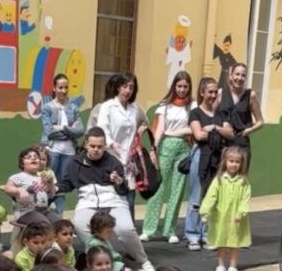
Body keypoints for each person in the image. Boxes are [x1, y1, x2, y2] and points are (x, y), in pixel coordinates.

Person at [59, 128, 153, 271]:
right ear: (86, 144)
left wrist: (119, 181)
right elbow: (67, 183)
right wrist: (54, 188)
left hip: (114, 201)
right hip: (87, 202)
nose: (96, 150)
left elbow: (124, 190)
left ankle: (143, 261)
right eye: (92, 146)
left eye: (100, 146)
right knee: (79, 224)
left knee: (126, 229)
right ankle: (105, 257)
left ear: (104, 146)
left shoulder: (113, 161)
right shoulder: (75, 163)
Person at [140, 71, 193, 243]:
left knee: (177, 190)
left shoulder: (192, 106)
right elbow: (160, 128)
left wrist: (176, 132)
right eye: (179, 86)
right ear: (174, 86)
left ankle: (169, 230)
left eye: (185, 87)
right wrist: (154, 148)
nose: (182, 90)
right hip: (165, 148)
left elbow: (192, 128)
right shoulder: (165, 106)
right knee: (158, 188)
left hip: (184, 148)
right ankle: (149, 228)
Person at [186, 76, 234, 249]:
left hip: (218, 158)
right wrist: (217, 133)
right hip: (200, 157)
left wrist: (214, 128)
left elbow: (230, 133)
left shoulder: (221, 115)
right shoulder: (195, 113)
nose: (213, 95)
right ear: (202, 93)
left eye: (215, 92)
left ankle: (207, 234)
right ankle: (192, 234)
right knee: (196, 197)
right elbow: (198, 135)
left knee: (213, 197)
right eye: (210, 92)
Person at [97, 73, 150, 217]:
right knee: (110, 197)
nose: (128, 91)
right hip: (111, 156)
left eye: (131, 87)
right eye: (124, 86)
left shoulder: (134, 109)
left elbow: (145, 122)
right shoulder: (108, 106)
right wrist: (111, 143)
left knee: (129, 198)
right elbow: (102, 128)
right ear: (118, 88)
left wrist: (140, 130)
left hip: (129, 159)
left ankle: (128, 231)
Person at [201, 145, 252, 271]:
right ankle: (221, 265)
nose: (234, 165)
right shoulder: (219, 180)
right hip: (220, 216)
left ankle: (233, 266)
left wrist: (241, 213)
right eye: (231, 161)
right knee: (221, 241)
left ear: (241, 164)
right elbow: (211, 196)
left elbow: (245, 199)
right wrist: (205, 212)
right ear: (225, 161)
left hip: (235, 218)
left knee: (234, 243)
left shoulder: (243, 181)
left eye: (237, 162)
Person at [39, 74, 85, 214]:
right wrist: (71, 129)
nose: (63, 91)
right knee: (47, 181)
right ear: (54, 88)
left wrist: (63, 128)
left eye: (66, 87)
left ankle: (58, 216)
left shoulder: (73, 108)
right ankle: (44, 212)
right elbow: (50, 132)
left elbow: (80, 131)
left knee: (62, 184)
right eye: (60, 87)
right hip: (53, 150)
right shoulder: (47, 108)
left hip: (69, 152)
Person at [216, 62, 263, 161]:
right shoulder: (221, 93)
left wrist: (249, 130)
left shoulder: (251, 95)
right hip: (223, 142)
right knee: (221, 174)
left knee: (240, 175)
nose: (239, 78)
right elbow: (212, 115)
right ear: (231, 75)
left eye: (243, 75)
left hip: (241, 142)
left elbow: (260, 121)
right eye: (237, 74)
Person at [3, 147, 56, 212]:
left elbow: (52, 195)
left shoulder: (43, 178)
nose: (33, 158)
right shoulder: (17, 177)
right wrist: (19, 190)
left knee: (61, 222)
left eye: (36, 157)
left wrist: (51, 183)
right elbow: (7, 188)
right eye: (28, 157)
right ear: (22, 163)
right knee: (43, 222)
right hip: (26, 212)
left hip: (44, 211)